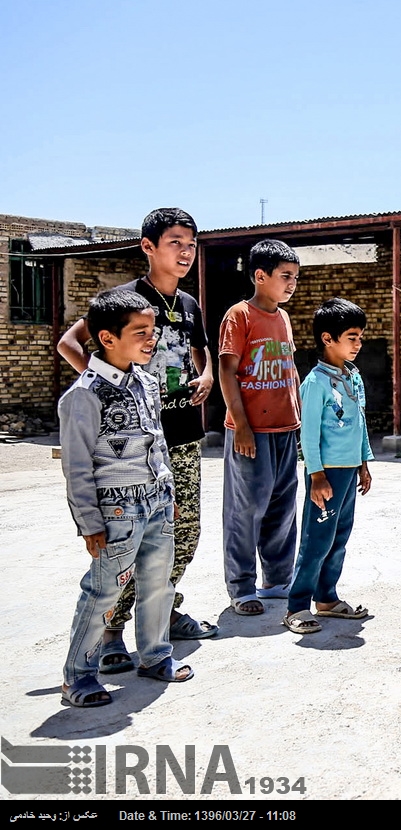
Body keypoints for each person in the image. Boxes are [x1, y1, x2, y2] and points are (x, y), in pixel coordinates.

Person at [57, 208, 217, 676]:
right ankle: (110, 634)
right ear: (148, 246)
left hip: (178, 437)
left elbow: (199, 348)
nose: (185, 252)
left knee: (180, 536)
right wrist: (111, 395)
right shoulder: (126, 300)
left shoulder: (188, 304)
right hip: (128, 452)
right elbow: (72, 343)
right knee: (123, 551)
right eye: (175, 243)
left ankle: (164, 616)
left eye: (191, 244)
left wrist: (205, 374)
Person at [58, 290, 194, 707]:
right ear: (107, 337)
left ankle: (155, 655)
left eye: (152, 331)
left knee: (158, 583)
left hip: (156, 501)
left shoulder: (147, 382)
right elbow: (77, 468)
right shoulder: (84, 395)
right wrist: (90, 523)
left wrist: (167, 490)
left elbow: (158, 443)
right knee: (103, 592)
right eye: (141, 332)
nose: (151, 339)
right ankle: (78, 676)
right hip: (116, 513)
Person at [218, 239, 302, 616]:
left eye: (296, 278)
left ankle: (277, 580)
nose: (292, 284)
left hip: (286, 430)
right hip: (252, 432)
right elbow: (227, 370)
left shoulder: (283, 317)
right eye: (285, 276)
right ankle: (241, 586)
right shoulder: (239, 315)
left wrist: (300, 418)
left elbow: (289, 370)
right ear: (259, 275)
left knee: (283, 507)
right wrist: (241, 425)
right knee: (246, 509)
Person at [283, 299, 373, 634]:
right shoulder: (315, 383)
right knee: (317, 538)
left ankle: (327, 598)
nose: (358, 343)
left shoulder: (353, 377)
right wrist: (316, 475)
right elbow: (307, 436)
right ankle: (296, 606)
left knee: (339, 535)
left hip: (350, 471)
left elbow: (360, 423)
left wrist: (364, 463)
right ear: (327, 339)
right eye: (352, 336)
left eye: (360, 336)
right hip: (327, 473)